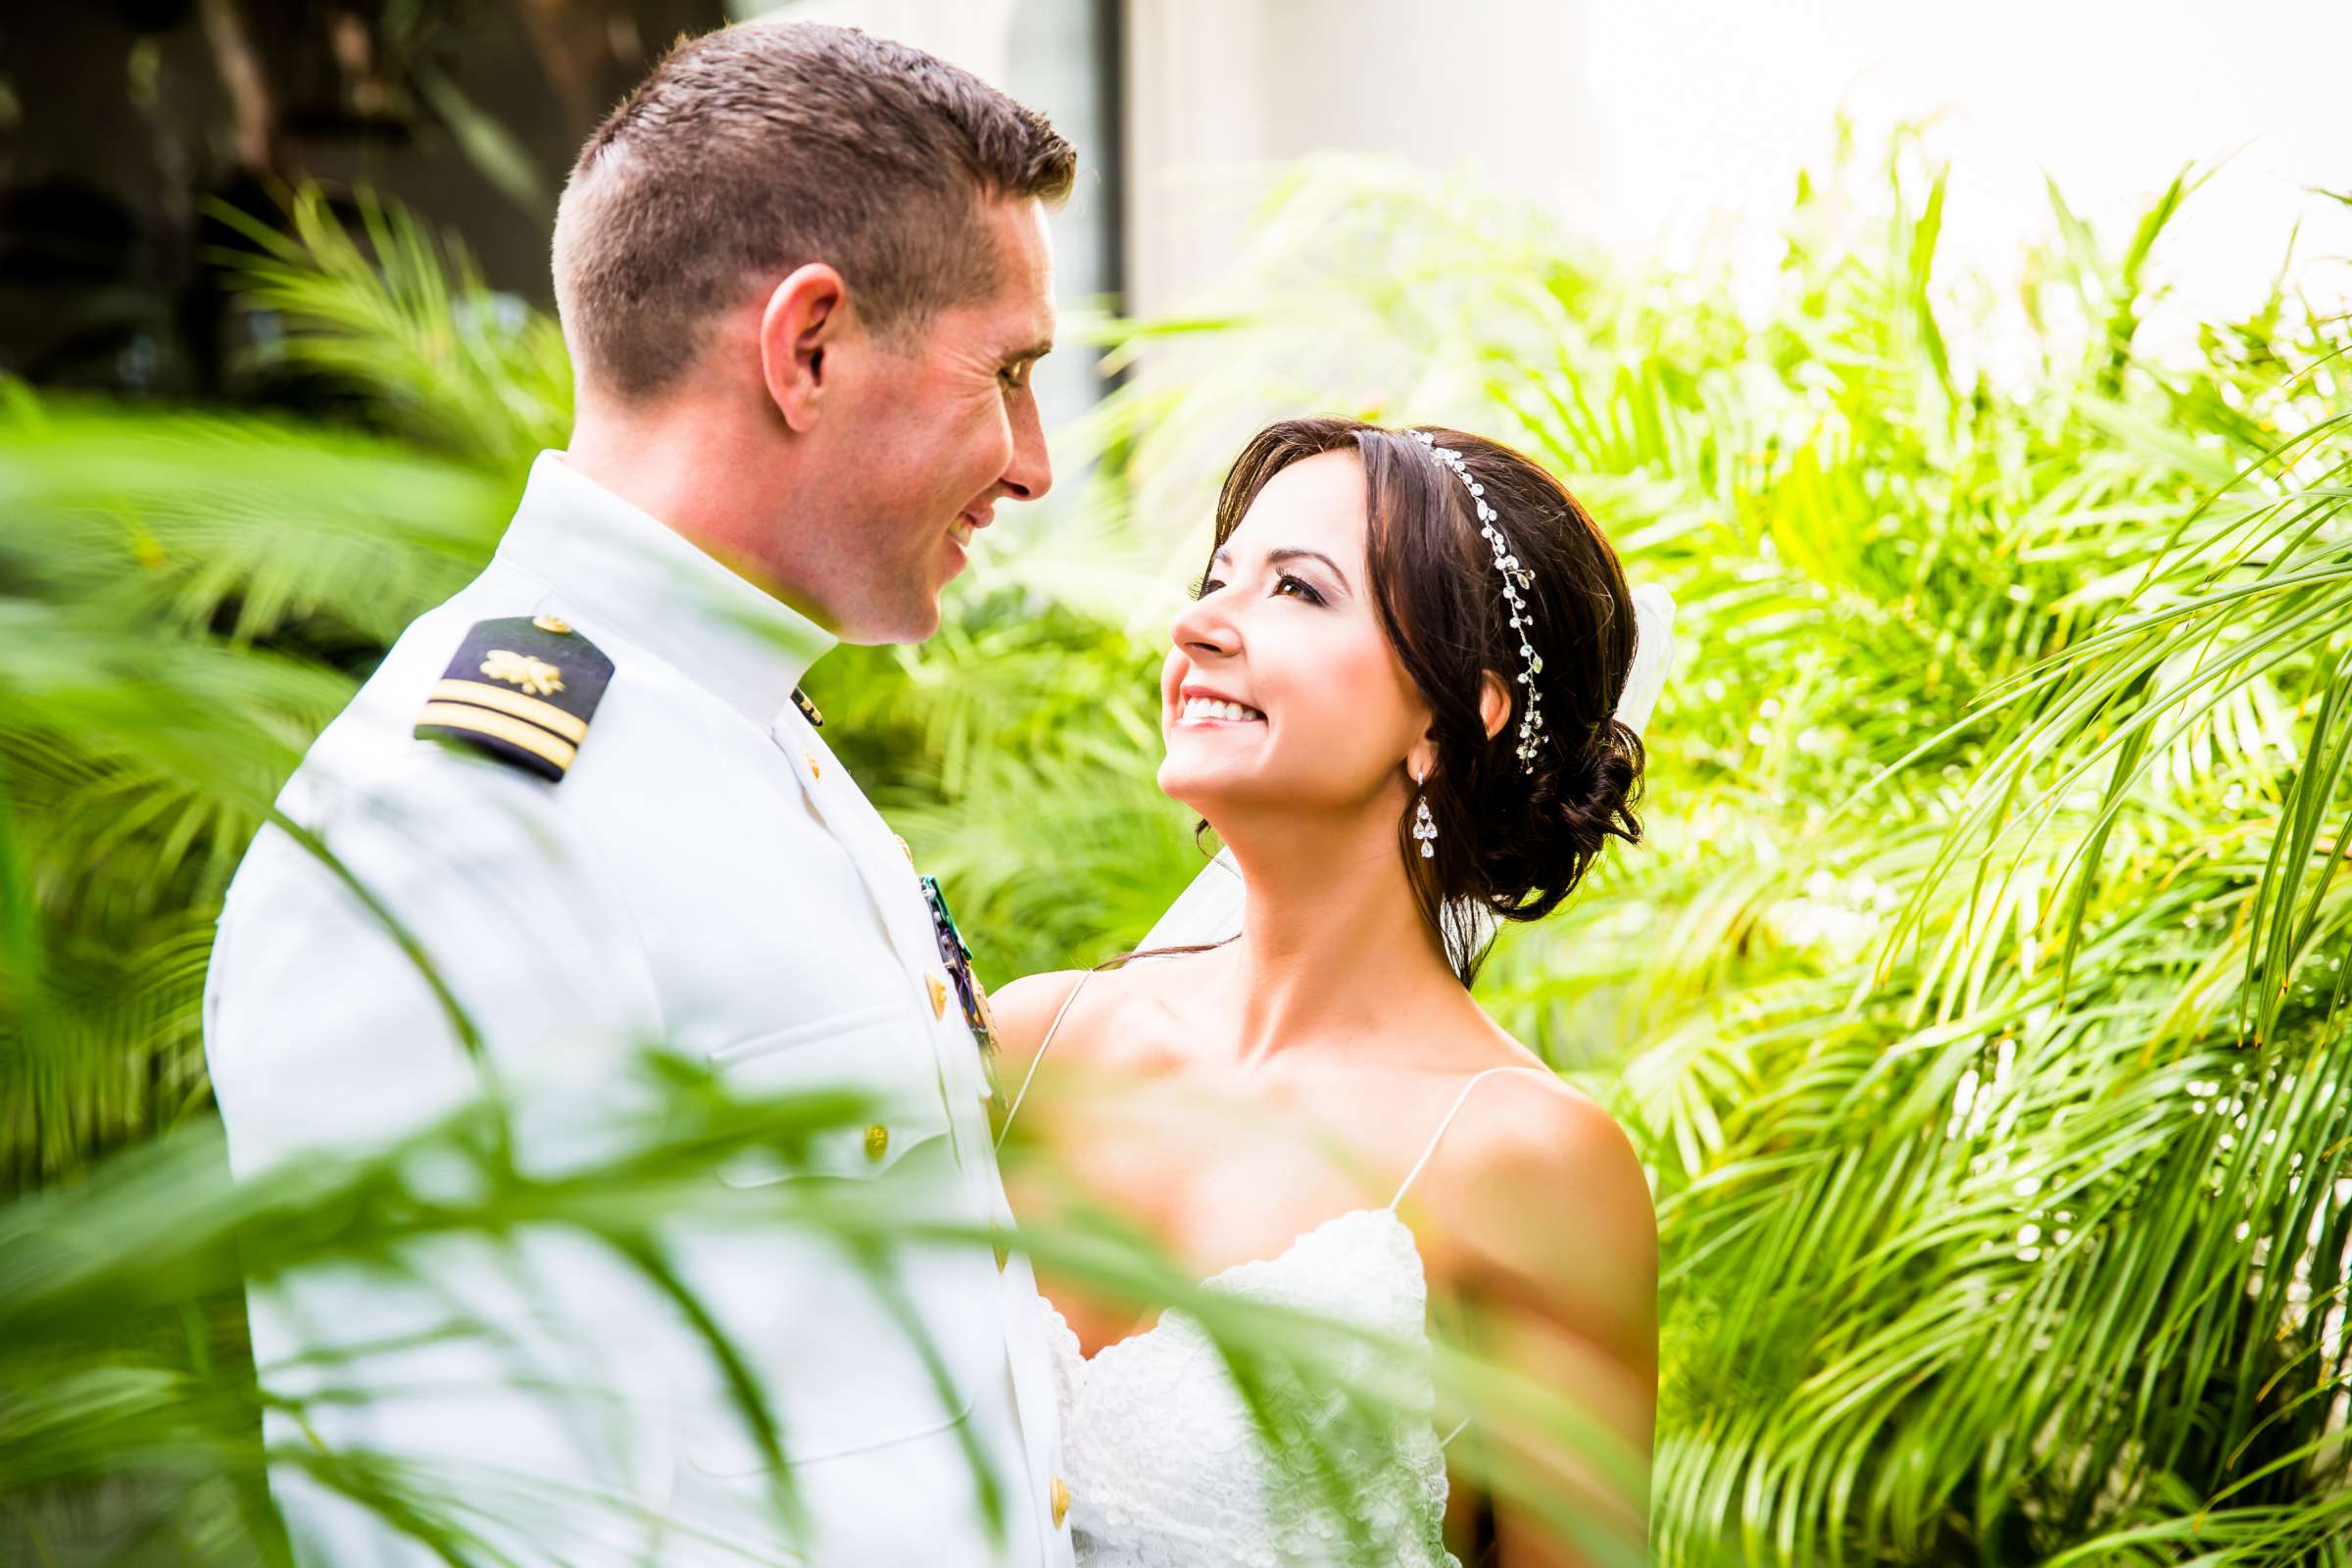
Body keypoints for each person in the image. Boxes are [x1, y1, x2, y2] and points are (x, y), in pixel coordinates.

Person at [202, 22, 1080, 1565]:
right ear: (806, 346)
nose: (1033, 463)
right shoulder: (459, 827)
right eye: (1006, 374)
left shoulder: (744, 723)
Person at [989, 418, 1670, 1567]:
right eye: (1218, 580)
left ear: (1458, 714)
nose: (1198, 625)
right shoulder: (1024, 1041)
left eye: (1298, 591)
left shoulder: (1532, 1163)